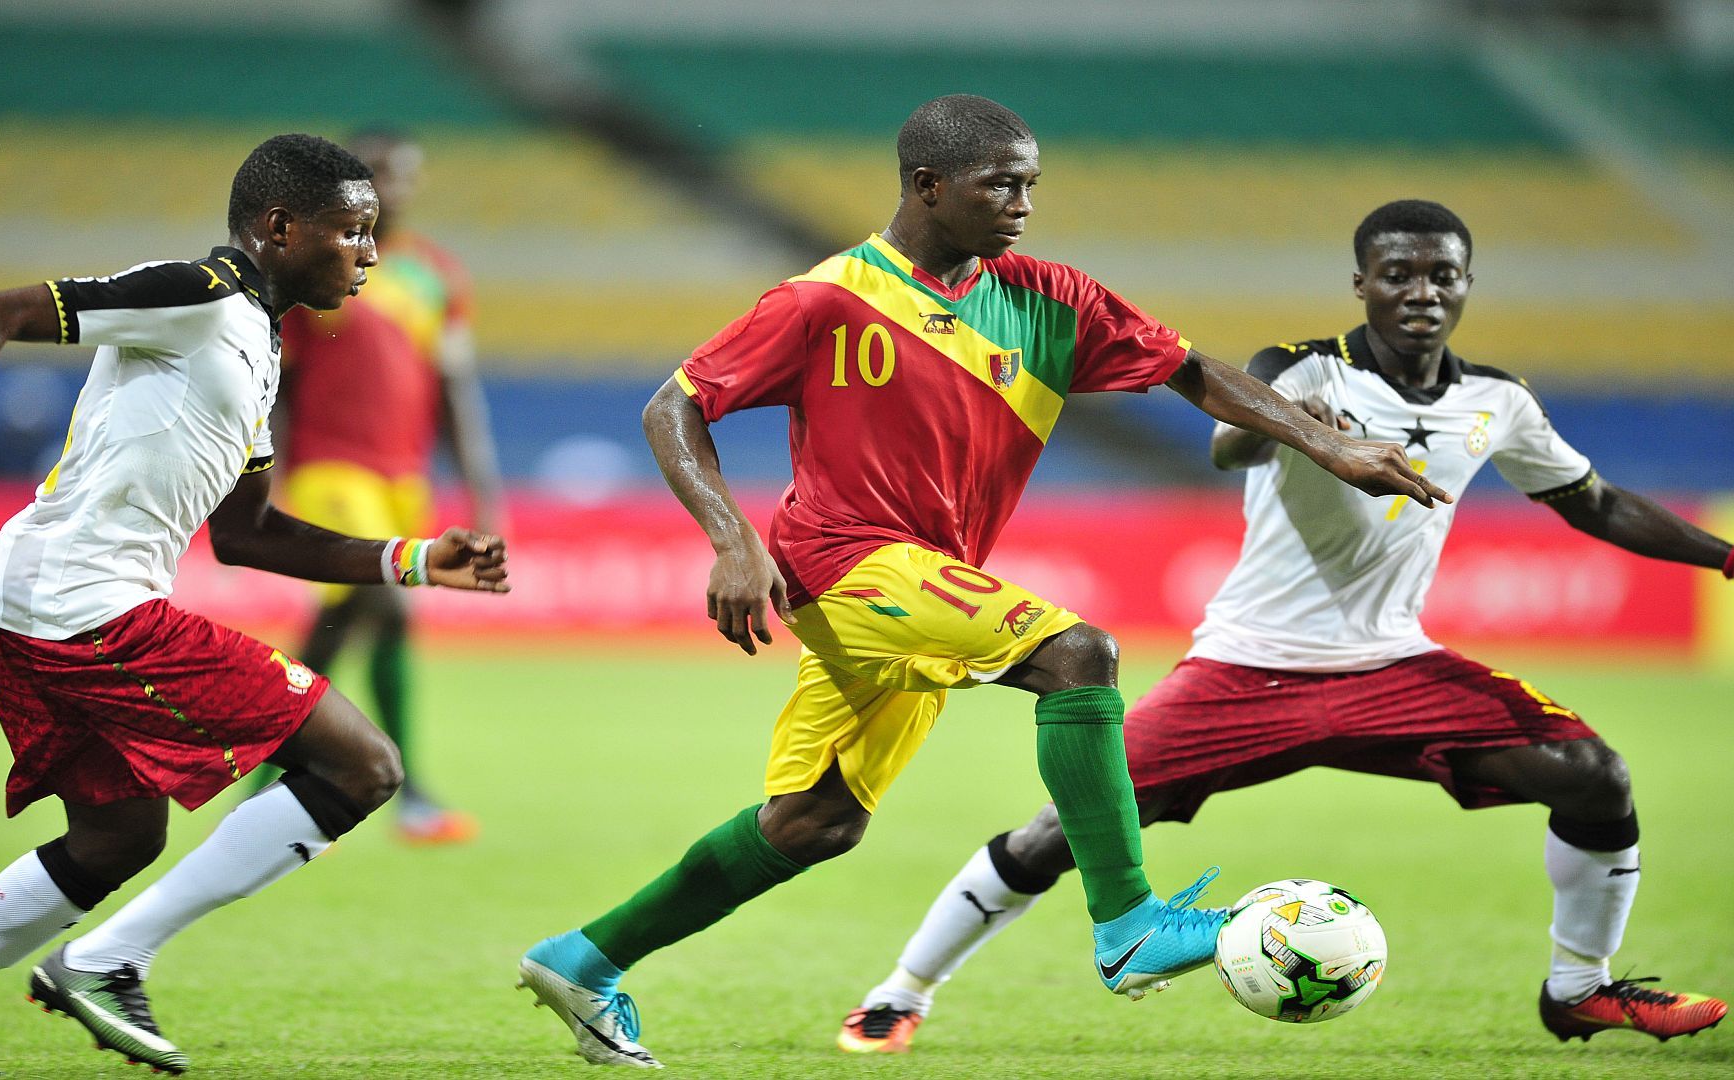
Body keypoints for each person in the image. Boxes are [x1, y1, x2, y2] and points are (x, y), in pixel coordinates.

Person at [515, 95, 1450, 1069]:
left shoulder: (1052, 298)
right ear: (928, 186)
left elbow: (1192, 372)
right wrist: (732, 540)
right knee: (1077, 654)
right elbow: (673, 407)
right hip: (843, 563)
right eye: (1001, 185)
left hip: (923, 579)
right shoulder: (825, 300)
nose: (1023, 204)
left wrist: (1325, 444)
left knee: (817, 823)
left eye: (1031, 185)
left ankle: (581, 961)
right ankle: (1129, 923)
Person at [836, 198, 1732, 1054]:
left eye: (1442, 275)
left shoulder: (1498, 400)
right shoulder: (1303, 368)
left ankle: (1578, 989)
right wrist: (1297, 426)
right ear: (1362, 284)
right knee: (1058, 833)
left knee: (1594, 777)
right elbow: (1230, 443)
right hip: (1245, 671)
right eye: (1398, 275)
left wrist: (1725, 559)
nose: (1421, 292)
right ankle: (899, 993)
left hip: (1394, 668)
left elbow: (1595, 503)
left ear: (1467, 284)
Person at [0, 134, 508, 1078]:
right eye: (352, 232)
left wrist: (416, 559)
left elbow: (247, 534)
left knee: (118, 837)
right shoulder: (198, 294)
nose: (371, 254)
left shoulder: (258, 342)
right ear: (281, 227)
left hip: (43, 602)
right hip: (85, 606)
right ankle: (107, 961)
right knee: (363, 765)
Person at [254, 127, 505, 844]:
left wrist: (483, 490)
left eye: (404, 175)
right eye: (378, 174)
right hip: (331, 470)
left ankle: (261, 780)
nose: (392, 188)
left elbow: (454, 388)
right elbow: (276, 383)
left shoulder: (436, 274)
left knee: (341, 625)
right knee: (386, 606)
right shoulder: (314, 268)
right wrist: (259, 476)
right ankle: (409, 787)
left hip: (404, 478)